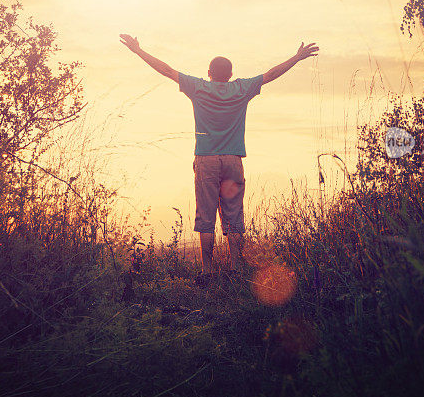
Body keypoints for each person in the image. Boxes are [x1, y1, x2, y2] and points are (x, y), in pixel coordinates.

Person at [119, 34, 319, 282]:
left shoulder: (198, 87)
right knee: (234, 215)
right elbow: (271, 74)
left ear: (209, 72)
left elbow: (167, 70)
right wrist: (297, 58)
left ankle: (207, 271)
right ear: (231, 74)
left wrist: (139, 51)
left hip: (206, 159)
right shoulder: (242, 88)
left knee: (206, 216)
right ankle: (236, 268)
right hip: (233, 160)